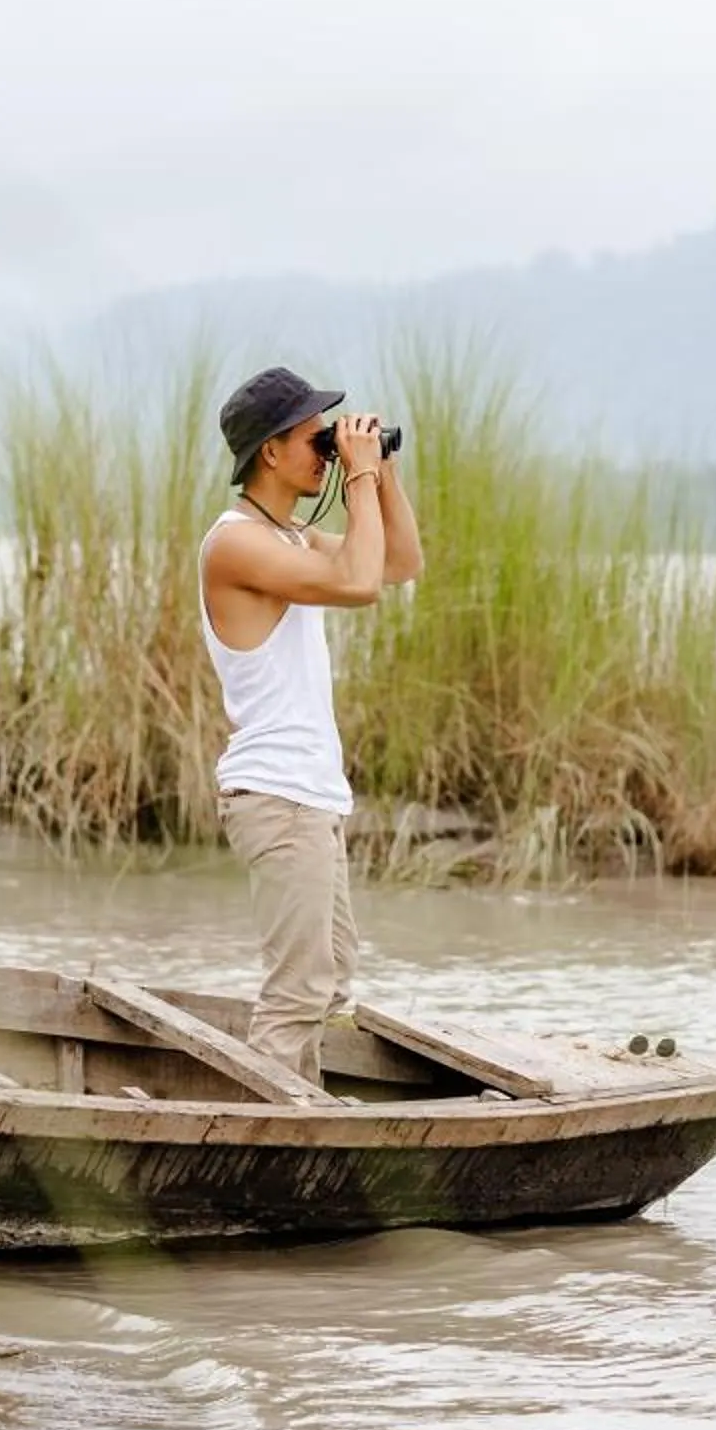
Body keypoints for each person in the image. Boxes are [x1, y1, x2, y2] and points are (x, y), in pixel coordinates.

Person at [199, 365, 424, 1085]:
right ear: (270, 451)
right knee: (296, 991)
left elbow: (397, 565)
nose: (328, 450)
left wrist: (379, 473)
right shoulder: (235, 544)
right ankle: (265, 1148)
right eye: (314, 438)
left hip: (311, 797)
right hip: (278, 795)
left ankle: (307, 1115)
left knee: (327, 990)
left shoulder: (290, 536)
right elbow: (357, 586)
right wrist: (354, 479)